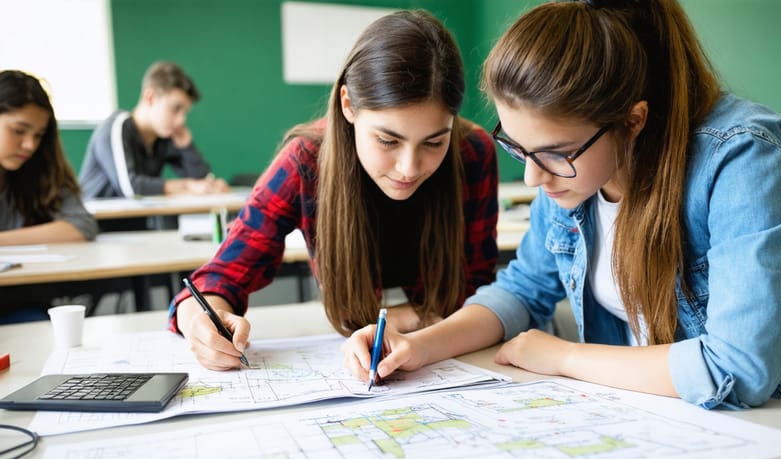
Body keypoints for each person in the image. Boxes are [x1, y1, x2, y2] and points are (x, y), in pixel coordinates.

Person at [342, 1, 781, 459]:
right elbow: (523, 291)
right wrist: (417, 346)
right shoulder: (571, 174)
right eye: (517, 147)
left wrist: (563, 358)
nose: (534, 177)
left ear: (632, 120)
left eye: (554, 154)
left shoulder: (738, 156)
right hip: (672, 433)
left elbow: (741, 368)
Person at [169, 10, 499, 371]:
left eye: (435, 142)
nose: (409, 167)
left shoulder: (472, 151)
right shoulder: (305, 159)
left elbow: (480, 286)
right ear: (348, 105)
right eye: (388, 140)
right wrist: (202, 320)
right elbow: (220, 276)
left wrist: (409, 322)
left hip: (446, 355)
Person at [0, 70, 98, 323]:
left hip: (19, 306)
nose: (30, 145)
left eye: (38, 135)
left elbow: (81, 225)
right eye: (19, 131)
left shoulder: (40, 169)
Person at [78, 61, 228, 199]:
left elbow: (201, 182)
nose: (181, 120)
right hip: (99, 225)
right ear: (150, 97)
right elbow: (131, 187)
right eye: (176, 108)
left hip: (139, 225)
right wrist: (186, 185)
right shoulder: (116, 127)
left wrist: (186, 148)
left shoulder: (164, 136)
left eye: (185, 112)